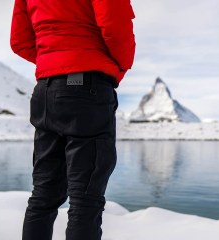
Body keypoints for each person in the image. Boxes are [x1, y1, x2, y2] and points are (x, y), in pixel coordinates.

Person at [10, 0, 136, 239]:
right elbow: (115, 25)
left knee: (43, 195)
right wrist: (118, 66)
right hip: (87, 90)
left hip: (45, 91)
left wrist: (55, 60)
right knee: (85, 198)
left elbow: (20, 40)